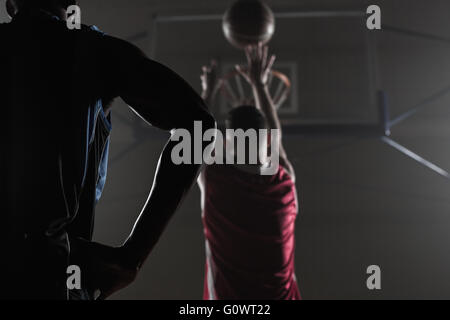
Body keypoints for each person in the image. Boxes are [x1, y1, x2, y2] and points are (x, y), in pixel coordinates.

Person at [0, 0, 215, 300]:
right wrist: (132, 257)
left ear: (11, 5)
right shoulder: (96, 53)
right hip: (52, 277)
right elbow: (199, 124)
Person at [198, 43, 301, 300]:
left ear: (227, 142)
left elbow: (194, 134)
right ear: (266, 140)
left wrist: (207, 92)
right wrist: (260, 84)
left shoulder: (215, 183)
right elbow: (278, 146)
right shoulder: (284, 186)